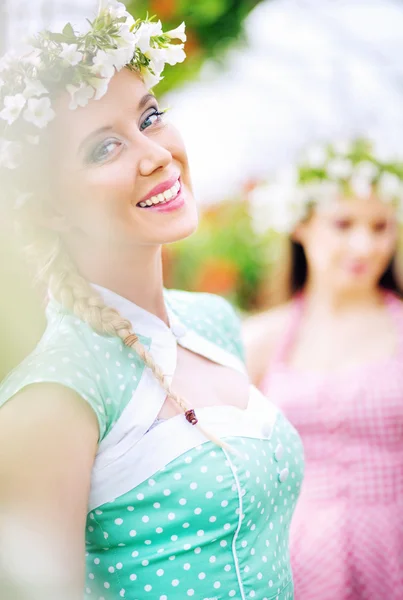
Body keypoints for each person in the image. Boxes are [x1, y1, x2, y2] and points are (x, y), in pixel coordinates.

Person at [0, 2, 304, 599]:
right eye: (102, 148)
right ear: (46, 208)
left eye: (151, 117)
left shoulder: (213, 323)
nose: (156, 154)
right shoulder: (58, 392)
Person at [244, 138, 403, 599]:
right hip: (293, 559)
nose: (364, 244)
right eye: (343, 224)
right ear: (301, 226)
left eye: (380, 227)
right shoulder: (260, 340)